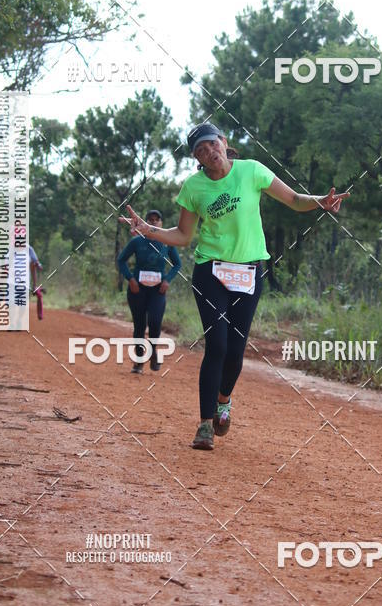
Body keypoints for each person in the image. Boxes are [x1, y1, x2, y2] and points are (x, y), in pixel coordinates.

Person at [120, 122, 349, 451]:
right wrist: (147, 230)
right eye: (200, 151)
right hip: (211, 272)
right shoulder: (193, 188)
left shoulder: (251, 171)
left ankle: (223, 402)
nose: (208, 152)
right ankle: (204, 425)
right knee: (217, 346)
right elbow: (183, 236)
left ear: (223, 142)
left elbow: (295, 199)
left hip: (249, 272)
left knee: (236, 352)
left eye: (211, 144)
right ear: (196, 158)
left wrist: (320, 202)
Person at [117, 210, 182, 374]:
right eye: (150, 220)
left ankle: (153, 351)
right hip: (137, 289)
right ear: (145, 222)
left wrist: (167, 280)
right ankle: (138, 362)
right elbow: (121, 260)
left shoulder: (167, 243)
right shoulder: (137, 242)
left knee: (155, 322)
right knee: (139, 325)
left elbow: (177, 264)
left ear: (161, 223)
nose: (153, 223)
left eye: (156, 220)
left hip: (157, 291)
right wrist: (130, 279)